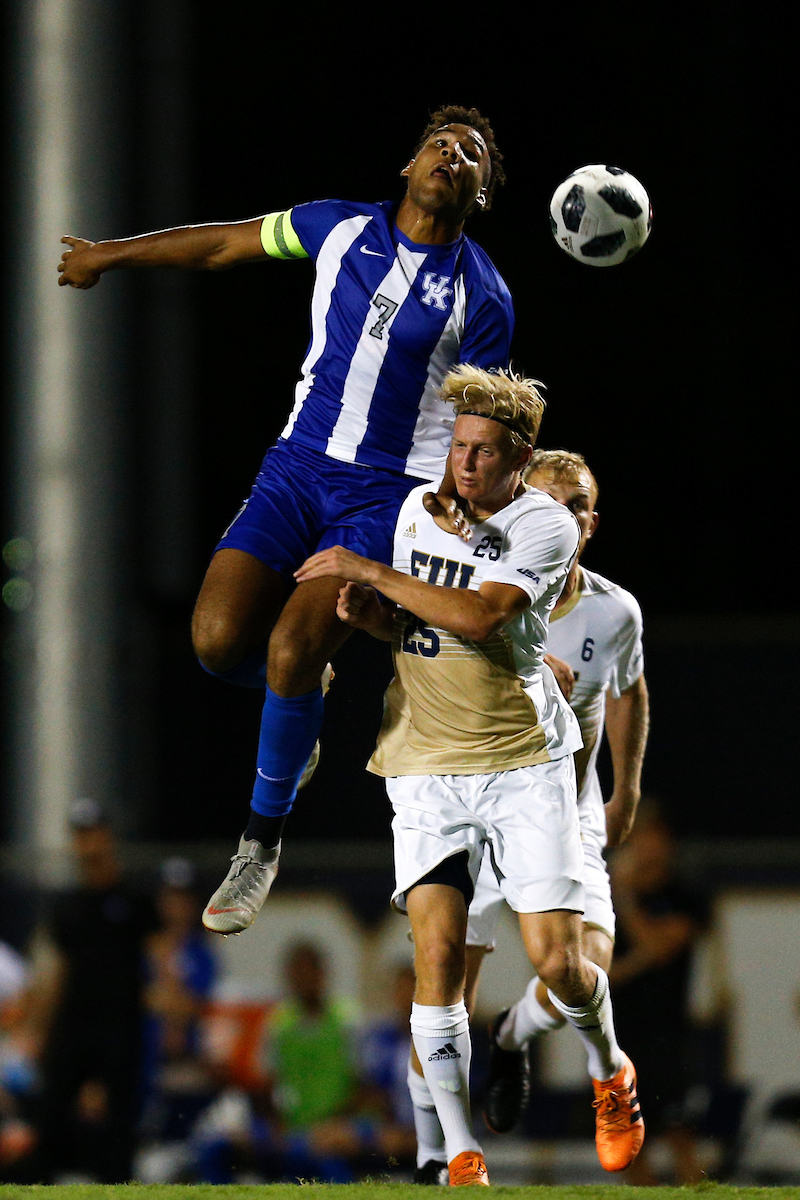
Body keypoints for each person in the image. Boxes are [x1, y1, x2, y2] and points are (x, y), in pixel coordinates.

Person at [57, 105, 514, 937]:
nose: (453, 156)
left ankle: (259, 843)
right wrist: (109, 256)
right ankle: (300, 701)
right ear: (409, 163)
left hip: (383, 500)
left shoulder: (482, 295)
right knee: (214, 642)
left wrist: (465, 522)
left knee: (290, 647)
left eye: (473, 156)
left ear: (480, 194)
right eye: (441, 143)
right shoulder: (338, 228)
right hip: (296, 470)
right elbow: (224, 243)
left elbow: (479, 425)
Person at [294, 366, 645, 1185]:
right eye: (458, 447)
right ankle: (457, 1153)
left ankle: (609, 1068)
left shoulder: (545, 526)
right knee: (437, 956)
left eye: (485, 451)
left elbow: (482, 615)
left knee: (559, 965)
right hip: (423, 764)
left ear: (520, 459)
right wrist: (374, 617)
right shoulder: (421, 510)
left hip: (522, 765)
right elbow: (420, 625)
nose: (466, 463)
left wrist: (372, 572)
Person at [451, 449, 650, 1140]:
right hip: (476, 817)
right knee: (443, 995)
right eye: (544, 501)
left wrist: (624, 792)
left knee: (582, 967)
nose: (559, 516)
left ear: (590, 523)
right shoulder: (477, 594)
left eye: (574, 506)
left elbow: (627, 690)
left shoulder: (613, 611)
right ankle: (441, 1157)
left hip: (565, 814)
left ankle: (535, 1045)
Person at [25, 799, 159, 1182]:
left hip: (120, 1028)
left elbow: (159, 960)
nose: (88, 844)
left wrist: (166, 1010)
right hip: (74, 1026)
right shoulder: (67, 905)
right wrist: (38, 1029)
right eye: (81, 835)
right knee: (51, 1118)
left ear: (108, 837)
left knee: (116, 1131)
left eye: (94, 834)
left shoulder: (133, 899)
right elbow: (57, 972)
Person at [606, 801, 708, 1184]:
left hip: (670, 1032)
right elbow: (603, 973)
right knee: (631, 1140)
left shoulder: (684, 894)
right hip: (622, 1033)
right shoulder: (605, 904)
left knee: (681, 1133)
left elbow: (663, 946)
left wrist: (627, 897)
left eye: (651, 837)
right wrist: (642, 958)